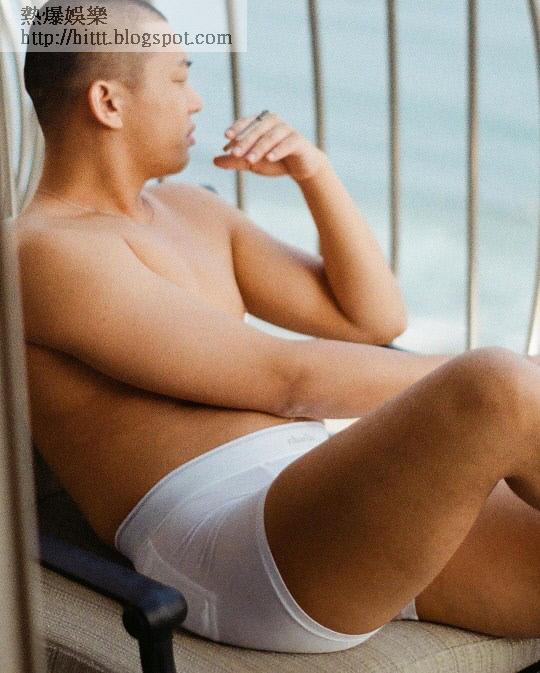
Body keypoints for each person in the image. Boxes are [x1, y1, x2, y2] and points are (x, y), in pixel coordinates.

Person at [16, 0, 540, 654]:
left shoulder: (192, 212)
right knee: (498, 387)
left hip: (329, 505)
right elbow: (287, 381)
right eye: (178, 78)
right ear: (108, 102)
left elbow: (372, 317)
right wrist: (516, 377)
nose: (196, 101)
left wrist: (314, 172)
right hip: (232, 547)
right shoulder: (40, 250)